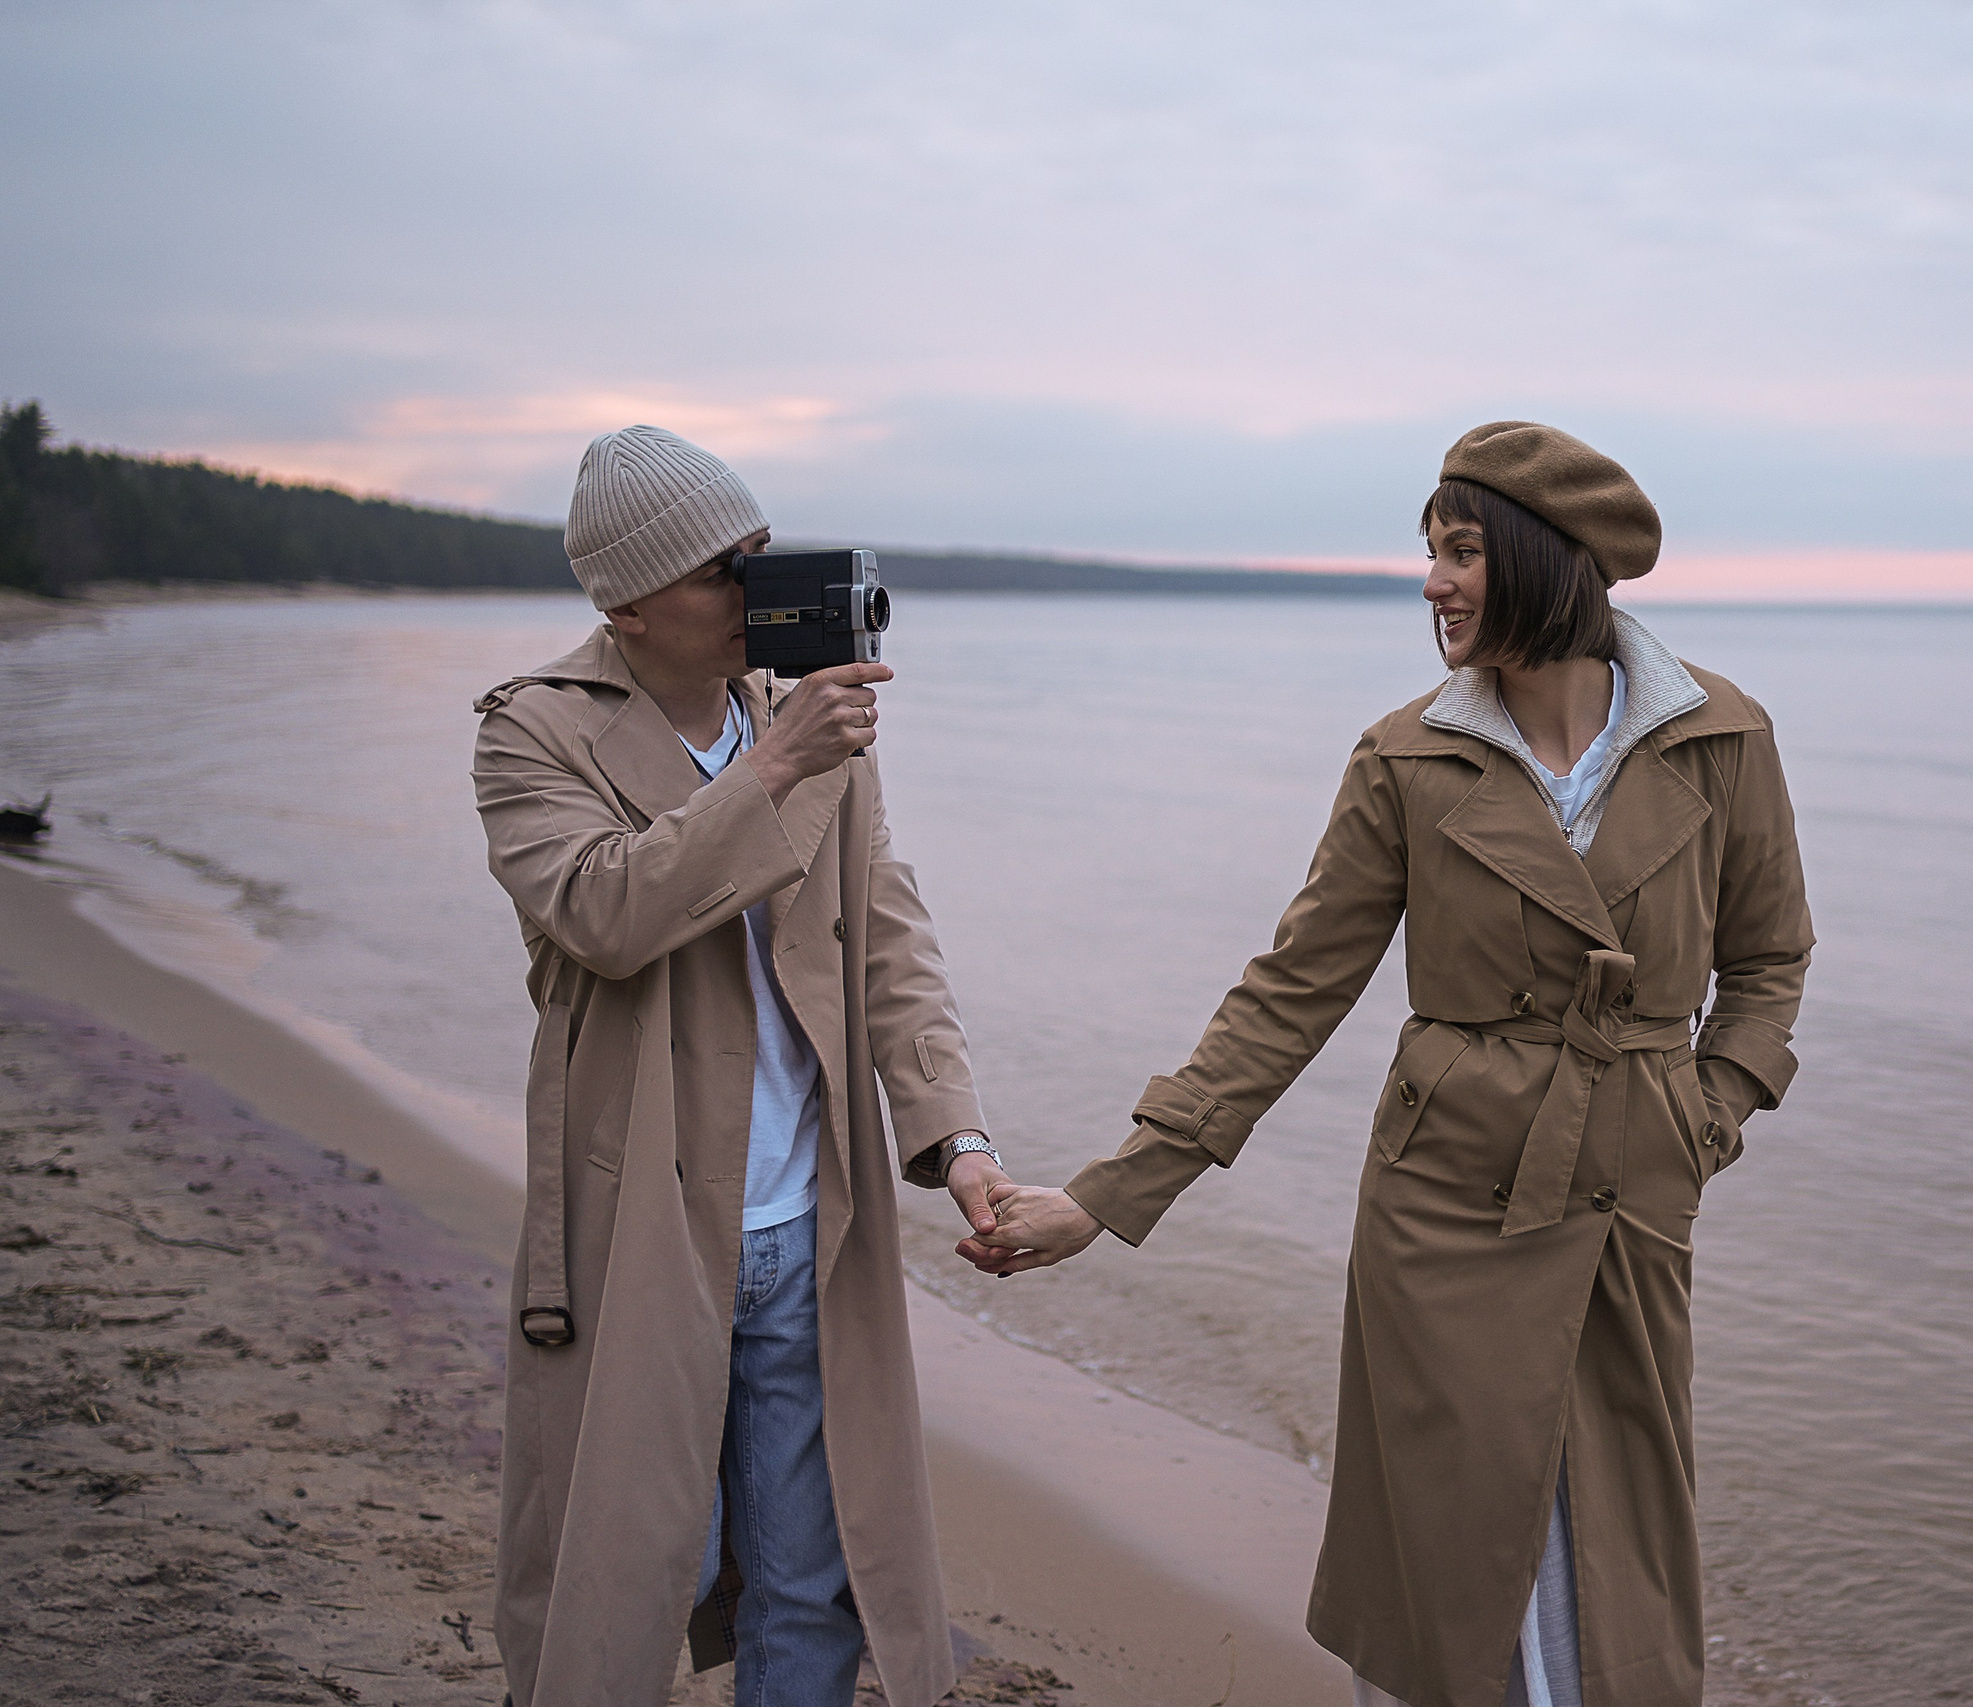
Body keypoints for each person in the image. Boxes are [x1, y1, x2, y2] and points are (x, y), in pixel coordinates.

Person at [972, 422, 1814, 1707]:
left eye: (1463, 553)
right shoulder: (1406, 755)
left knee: (1617, 1541)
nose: (1433, 583)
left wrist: (1707, 1112)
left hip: (1629, 1197)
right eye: (1430, 554)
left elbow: (1768, 960)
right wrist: (1113, 1190)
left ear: (1544, 560)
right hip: (1446, 1205)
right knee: (1445, 1557)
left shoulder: (1721, 735)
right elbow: (1289, 993)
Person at [473, 425, 1006, 1707]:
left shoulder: (805, 720)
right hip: (644, 1220)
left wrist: (956, 1137)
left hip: (812, 1216)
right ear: (629, 603)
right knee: (629, 1571)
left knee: (812, 1578)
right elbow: (605, 913)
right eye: (722, 572)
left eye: (762, 556)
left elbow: (890, 939)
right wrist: (775, 768)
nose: (754, 594)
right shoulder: (534, 734)